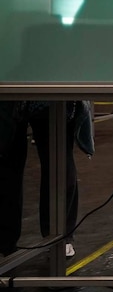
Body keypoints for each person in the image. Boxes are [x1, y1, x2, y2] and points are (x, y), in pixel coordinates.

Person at [0, 101, 91, 259]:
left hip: (50, 91)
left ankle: (60, 235)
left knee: (58, 159)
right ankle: (4, 241)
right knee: (6, 162)